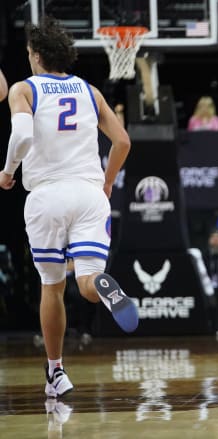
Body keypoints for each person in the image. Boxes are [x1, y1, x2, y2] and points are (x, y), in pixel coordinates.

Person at [0, 17, 138, 397]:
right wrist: (107, 181)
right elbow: (123, 141)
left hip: (47, 196)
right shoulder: (90, 92)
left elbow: (23, 134)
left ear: (37, 55)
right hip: (90, 193)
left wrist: (8, 170)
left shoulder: (23, 89)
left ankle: (56, 372)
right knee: (88, 282)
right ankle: (103, 285)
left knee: (52, 286)